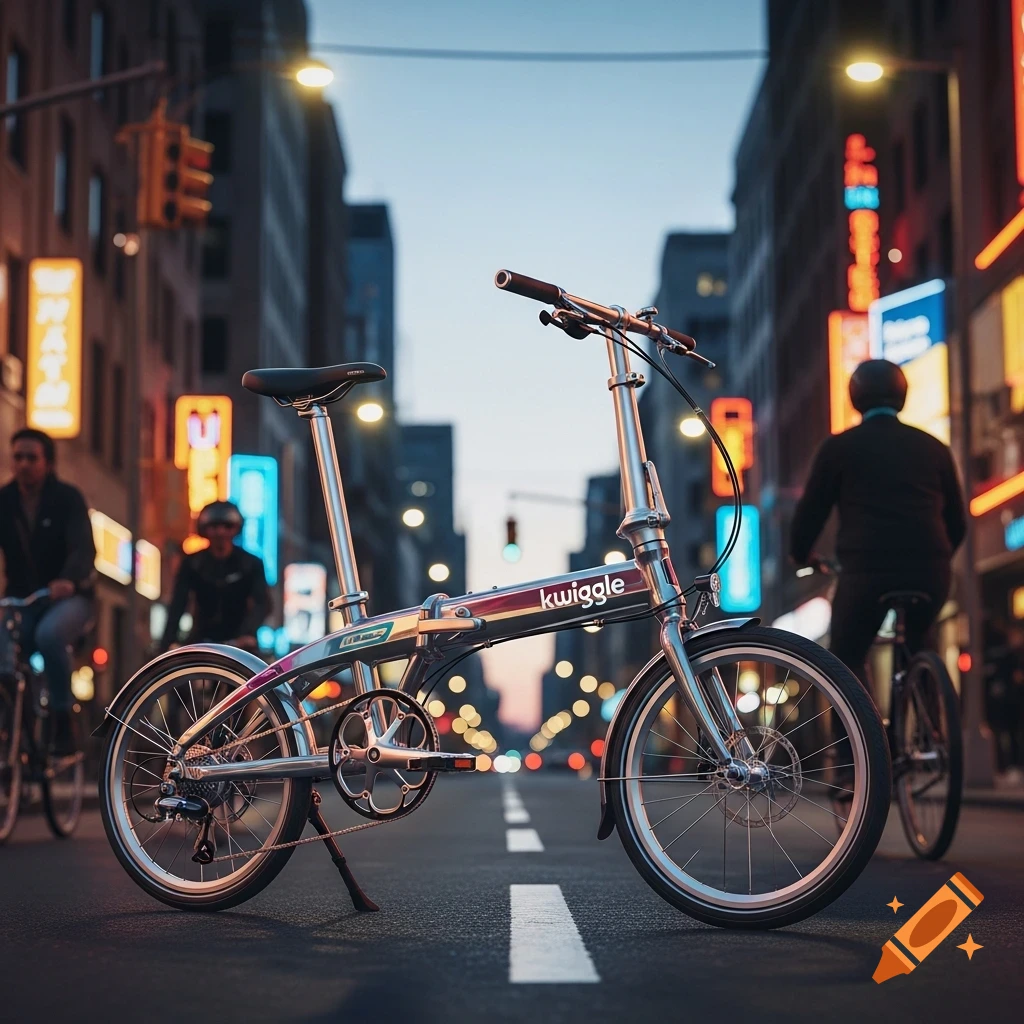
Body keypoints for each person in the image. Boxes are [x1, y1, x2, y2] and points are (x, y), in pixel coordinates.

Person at [790, 359, 967, 686]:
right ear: (903, 395)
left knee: (845, 659)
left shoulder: (838, 448)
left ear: (856, 398)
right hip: (930, 571)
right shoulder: (934, 447)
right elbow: (957, 522)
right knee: (919, 643)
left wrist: (802, 555)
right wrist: (937, 556)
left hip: (866, 572)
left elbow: (809, 516)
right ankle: (933, 722)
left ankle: (864, 735)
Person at [0, 428, 96, 754]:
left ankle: (61, 717)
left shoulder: (67, 498)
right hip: (21, 599)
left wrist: (69, 579)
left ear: (48, 463)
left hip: (70, 598)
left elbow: (83, 549)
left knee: (49, 635)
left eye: (32, 457)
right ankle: (14, 727)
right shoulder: (5, 500)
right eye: (18, 457)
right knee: (4, 653)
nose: (24, 464)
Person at [160, 500, 270, 652]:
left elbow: (262, 603)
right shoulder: (192, 563)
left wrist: (248, 632)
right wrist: (167, 642)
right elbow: (178, 603)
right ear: (204, 530)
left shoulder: (251, 563)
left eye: (227, 526)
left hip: (241, 642)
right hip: (201, 639)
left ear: (236, 529)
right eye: (214, 527)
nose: (220, 532)